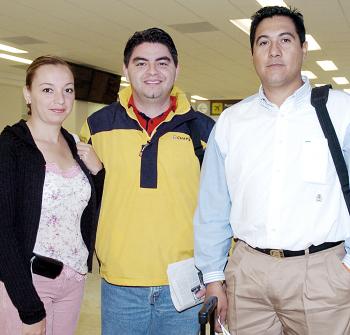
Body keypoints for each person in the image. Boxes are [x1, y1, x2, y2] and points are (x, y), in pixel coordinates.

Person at [194, 6, 350, 335]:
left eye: (285, 40)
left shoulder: (341, 110)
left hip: (322, 273)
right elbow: (213, 206)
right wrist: (212, 276)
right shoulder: (231, 122)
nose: (274, 51)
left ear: (304, 48)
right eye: (263, 42)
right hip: (248, 274)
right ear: (252, 53)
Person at [80, 27, 214, 334]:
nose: (152, 71)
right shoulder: (97, 126)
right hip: (120, 285)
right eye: (141, 63)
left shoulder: (205, 131)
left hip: (185, 284)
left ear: (176, 68)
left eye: (162, 62)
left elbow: (221, 206)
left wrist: (219, 272)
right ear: (126, 69)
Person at [0, 55, 104, 335]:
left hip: (73, 279)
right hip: (28, 283)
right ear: (28, 94)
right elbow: (3, 232)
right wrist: (29, 308)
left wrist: (99, 172)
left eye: (67, 90)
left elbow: (88, 208)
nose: (60, 99)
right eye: (47, 90)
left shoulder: (74, 144)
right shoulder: (11, 147)